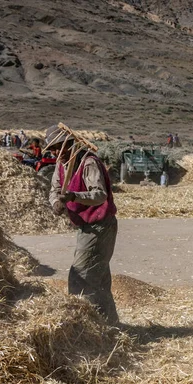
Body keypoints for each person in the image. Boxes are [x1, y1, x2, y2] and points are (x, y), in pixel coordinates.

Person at [46, 124, 119, 324]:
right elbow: (54, 189)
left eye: (58, 147)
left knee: (81, 277)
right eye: (52, 149)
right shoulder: (60, 165)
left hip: (100, 225)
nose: (55, 153)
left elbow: (100, 195)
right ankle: (109, 324)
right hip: (85, 226)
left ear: (70, 145)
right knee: (98, 277)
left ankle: (87, 325)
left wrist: (74, 196)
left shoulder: (88, 163)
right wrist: (56, 203)